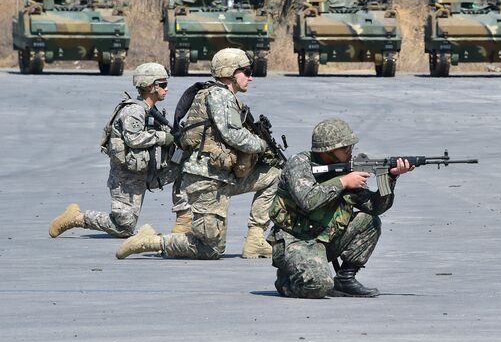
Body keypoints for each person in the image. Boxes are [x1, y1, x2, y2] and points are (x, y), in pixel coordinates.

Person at [115, 48, 279, 260]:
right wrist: (262, 145)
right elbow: (233, 135)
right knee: (210, 249)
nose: (250, 77)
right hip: (206, 179)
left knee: (274, 176)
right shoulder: (219, 96)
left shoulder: (225, 96)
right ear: (230, 72)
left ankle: (255, 240)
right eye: (246, 71)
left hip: (224, 176)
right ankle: (151, 241)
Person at [267, 118, 414, 298]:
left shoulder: (346, 169)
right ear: (328, 150)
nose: (350, 151)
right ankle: (287, 281)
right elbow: (308, 200)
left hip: (325, 238)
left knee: (369, 221)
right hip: (296, 240)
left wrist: (390, 178)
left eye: (351, 146)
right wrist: (343, 182)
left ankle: (345, 278)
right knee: (319, 286)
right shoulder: (299, 165)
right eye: (345, 148)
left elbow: (374, 207)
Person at [49, 63, 178, 239]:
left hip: (145, 170)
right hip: (126, 176)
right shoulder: (133, 111)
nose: (166, 89)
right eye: (162, 84)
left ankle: (183, 223)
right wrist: (163, 137)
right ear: (150, 86)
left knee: (185, 168)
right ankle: (76, 218)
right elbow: (134, 139)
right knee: (123, 227)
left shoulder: (150, 111)